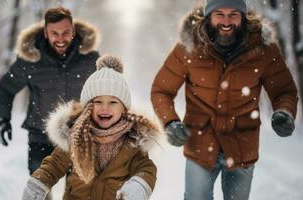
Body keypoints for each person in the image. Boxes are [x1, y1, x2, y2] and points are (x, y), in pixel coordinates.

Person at [151, 0, 298, 199]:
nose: (226, 21)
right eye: (219, 14)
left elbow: (284, 90)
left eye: (233, 14)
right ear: (208, 16)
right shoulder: (189, 46)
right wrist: (170, 122)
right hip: (200, 146)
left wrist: (284, 112)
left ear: (243, 17)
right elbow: (162, 90)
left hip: (242, 147)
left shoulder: (263, 48)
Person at [21, 54, 159, 200]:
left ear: (124, 108)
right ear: (88, 107)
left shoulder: (132, 142)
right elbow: (54, 165)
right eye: (98, 102)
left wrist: (139, 185)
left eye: (113, 102)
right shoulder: (77, 136)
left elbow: (146, 168)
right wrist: (39, 183)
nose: (105, 108)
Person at [0, 6, 99, 181]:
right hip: (40, 136)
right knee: (39, 187)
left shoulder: (90, 59)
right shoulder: (31, 59)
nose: (60, 39)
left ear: (73, 31)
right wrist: (3, 119)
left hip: (79, 136)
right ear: (45, 32)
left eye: (65, 33)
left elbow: (106, 91)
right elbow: (6, 88)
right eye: (54, 33)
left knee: (79, 189)